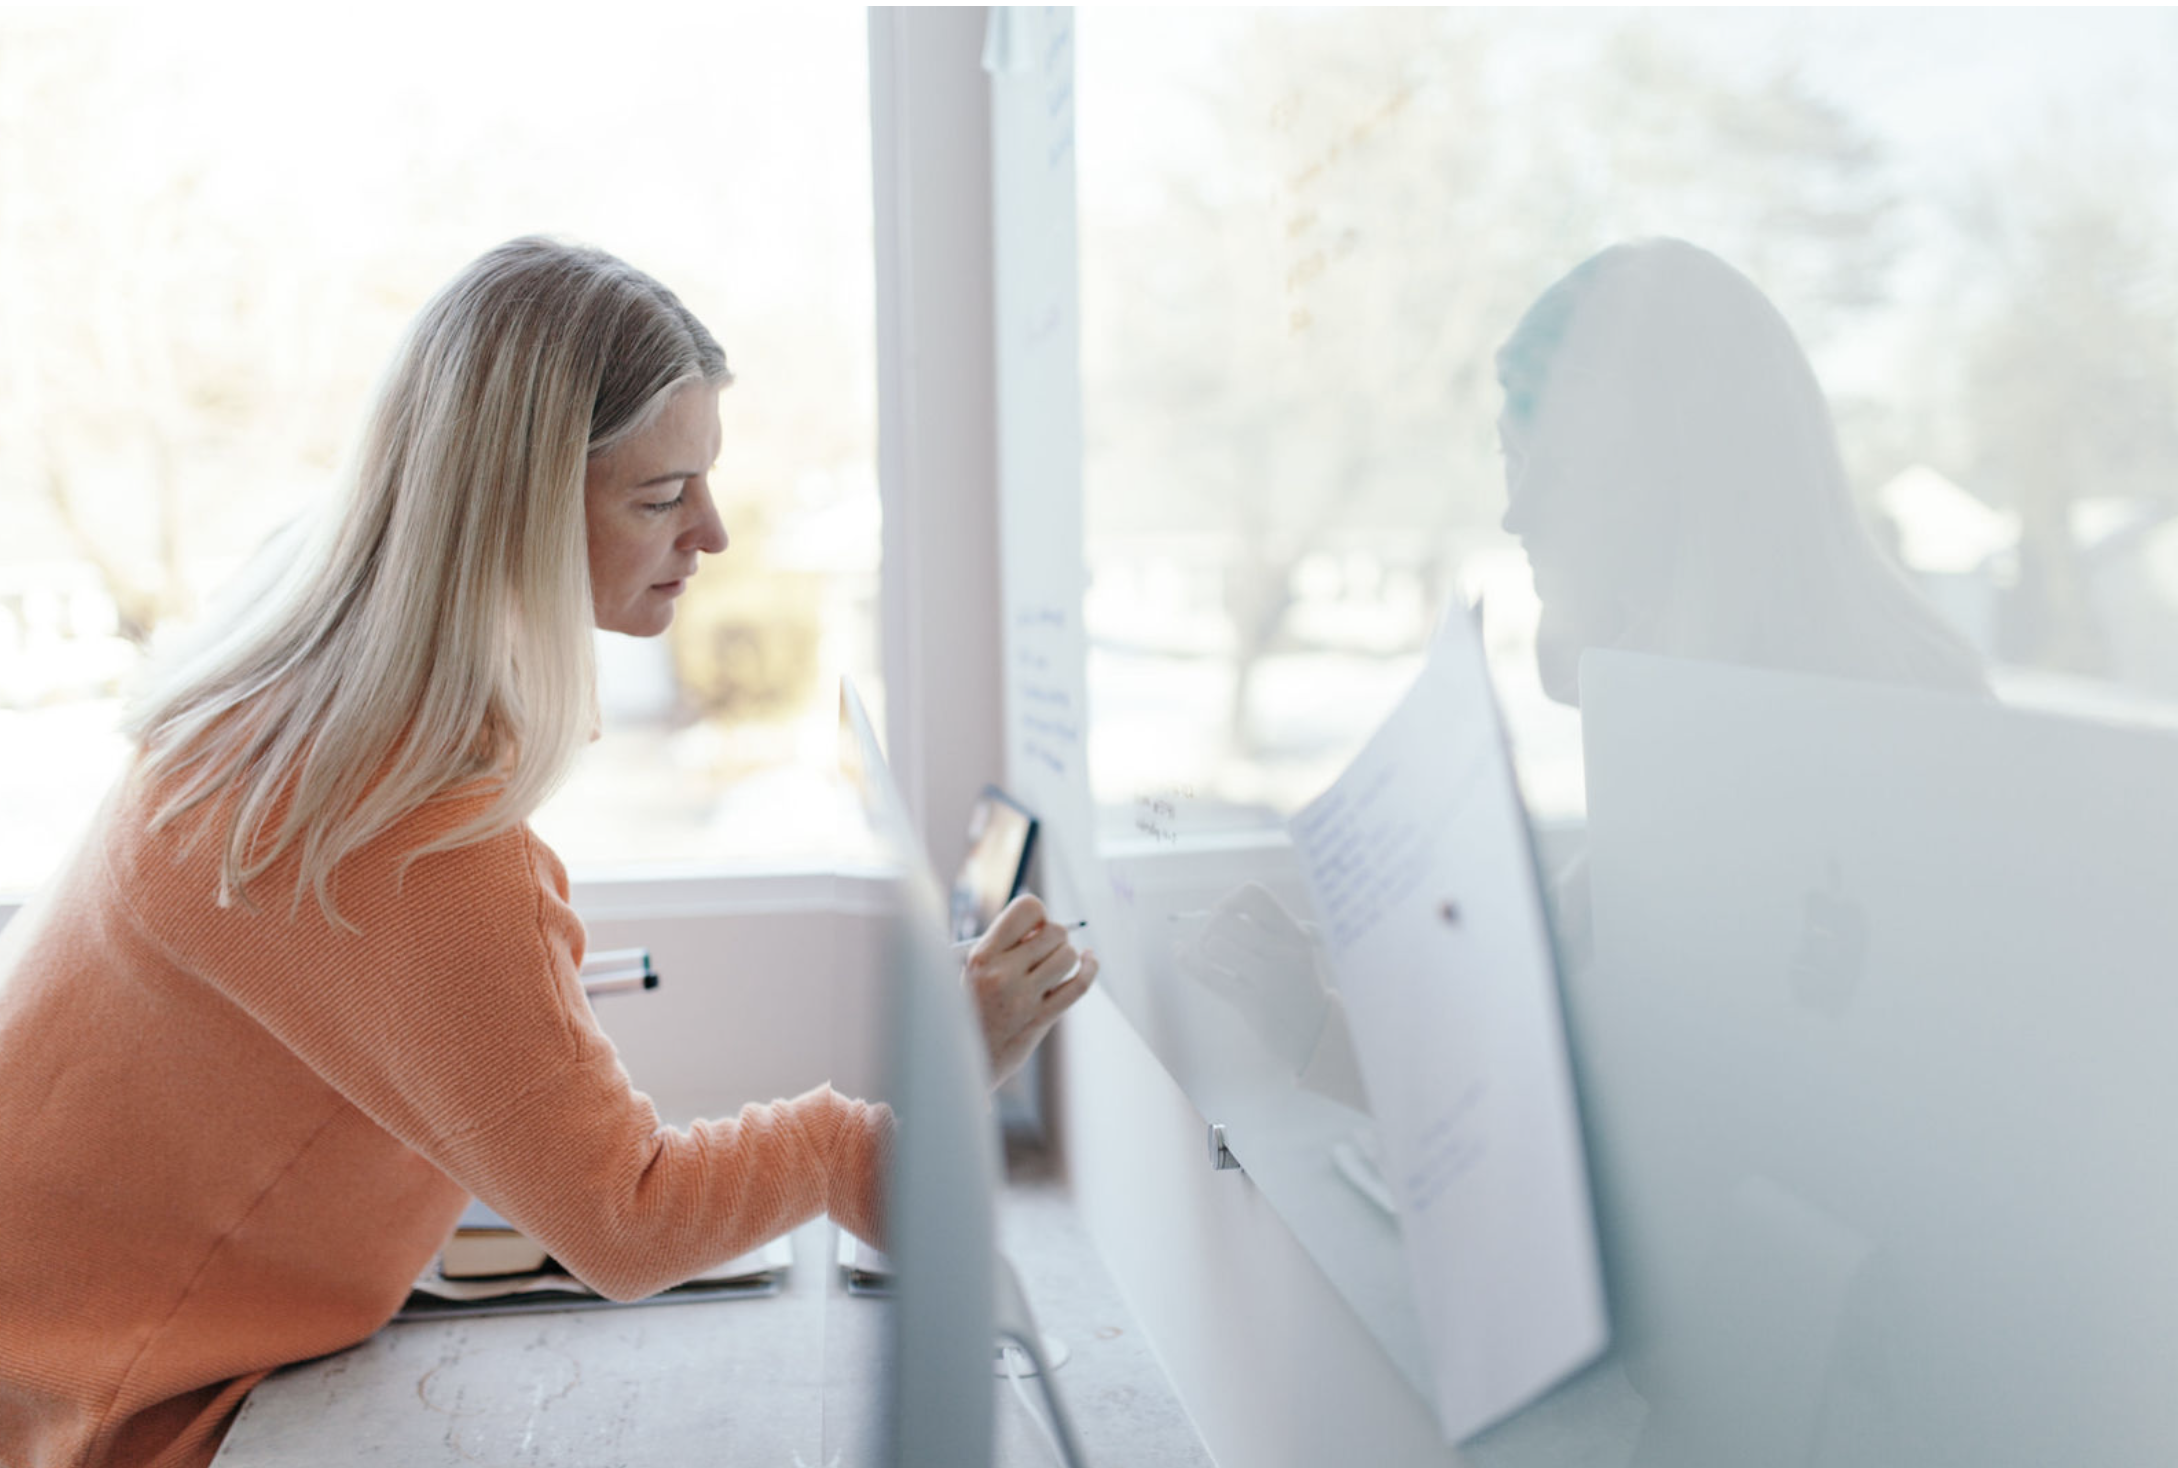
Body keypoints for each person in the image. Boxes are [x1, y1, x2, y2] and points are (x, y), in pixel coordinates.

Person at [0, 236, 1096, 1468]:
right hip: (108, 1419)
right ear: (514, 511)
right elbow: (627, 1224)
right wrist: (871, 1134)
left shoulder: (294, 698)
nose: (714, 533)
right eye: (659, 495)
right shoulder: (399, 831)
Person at [1494, 237, 1989, 708]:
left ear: (1708, 480)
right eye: (1512, 460)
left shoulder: (1906, 720)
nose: (1517, 516)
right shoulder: (1641, 684)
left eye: (1569, 469)